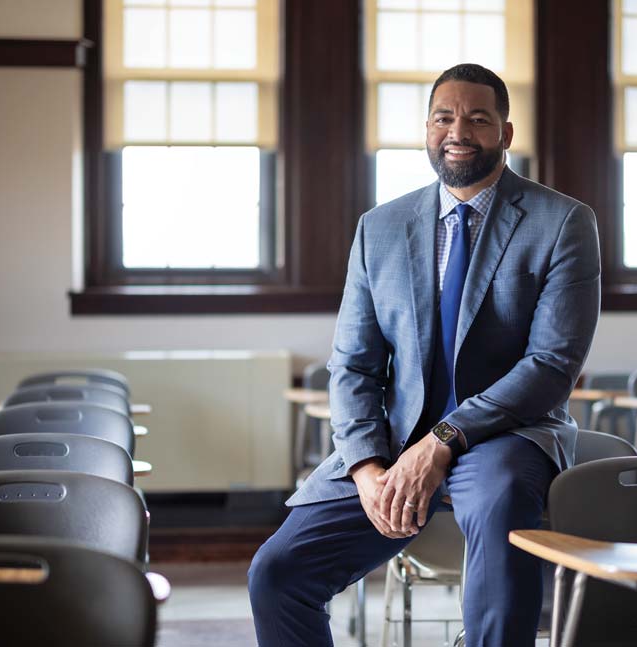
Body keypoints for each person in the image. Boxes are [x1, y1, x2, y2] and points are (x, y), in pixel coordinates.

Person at [249, 63, 600, 646]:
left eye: (477, 118)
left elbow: (551, 367)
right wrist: (364, 468)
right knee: (278, 573)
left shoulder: (563, 222)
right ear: (427, 129)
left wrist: (443, 441)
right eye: (444, 117)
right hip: (393, 441)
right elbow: (353, 365)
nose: (457, 131)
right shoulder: (379, 228)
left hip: (505, 438)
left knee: (503, 504)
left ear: (505, 134)